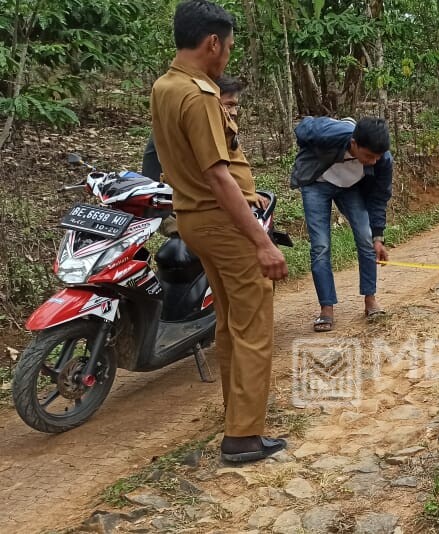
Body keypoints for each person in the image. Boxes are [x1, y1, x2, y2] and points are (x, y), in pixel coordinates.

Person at [150, 0, 288, 462]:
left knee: (230, 323)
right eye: (227, 47)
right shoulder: (199, 94)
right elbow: (218, 175)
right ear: (212, 43)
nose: (227, 55)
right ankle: (244, 437)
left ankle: (237, 418)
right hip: (223, 220)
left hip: (193, 219)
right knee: (253, 324)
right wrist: (262, 240)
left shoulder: (164, 86)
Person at [289, 116, 393, 332]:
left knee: (366, 238)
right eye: (369, 156)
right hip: (316, 183)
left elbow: (379, 196)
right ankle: (326, 309)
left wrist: (379, 236)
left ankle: (370, 300)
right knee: (321, 246)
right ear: (354, 144)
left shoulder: (382, 159)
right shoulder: (330, 133)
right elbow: (303, 128)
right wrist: (313, 148)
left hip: (351, 187)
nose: (374, 161)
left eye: (377, 157)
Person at [142, 75, 244, 181]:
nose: (234, 112)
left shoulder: (218, 127)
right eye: (228, 105)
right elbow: (214, 173)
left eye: (235, 106)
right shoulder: (187, 126)